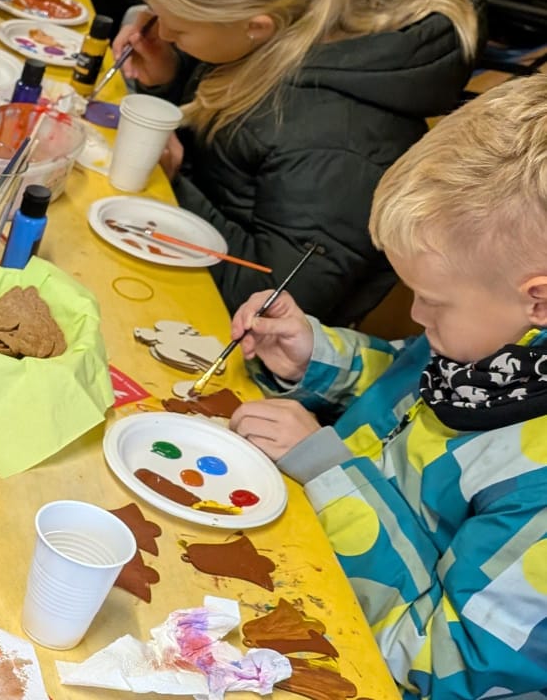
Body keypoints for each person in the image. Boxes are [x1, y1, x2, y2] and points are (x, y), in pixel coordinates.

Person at [227, 75, 547, 699]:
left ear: (538, 299)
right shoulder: (499, 339)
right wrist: (316, 359)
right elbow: (414, 389)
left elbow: (437, 671)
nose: (419, 320)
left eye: (431, 301)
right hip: (313, 566)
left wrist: (328, 474)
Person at [119, 0, 477, 324]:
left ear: (257, 26)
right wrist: (169, 79)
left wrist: (172, 187)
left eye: (180, 27)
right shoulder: (282, 21)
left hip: (234, 335)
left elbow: (277, 301)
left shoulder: (339, 142)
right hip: (186, 276)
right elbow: (225, 156)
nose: (164, 33)